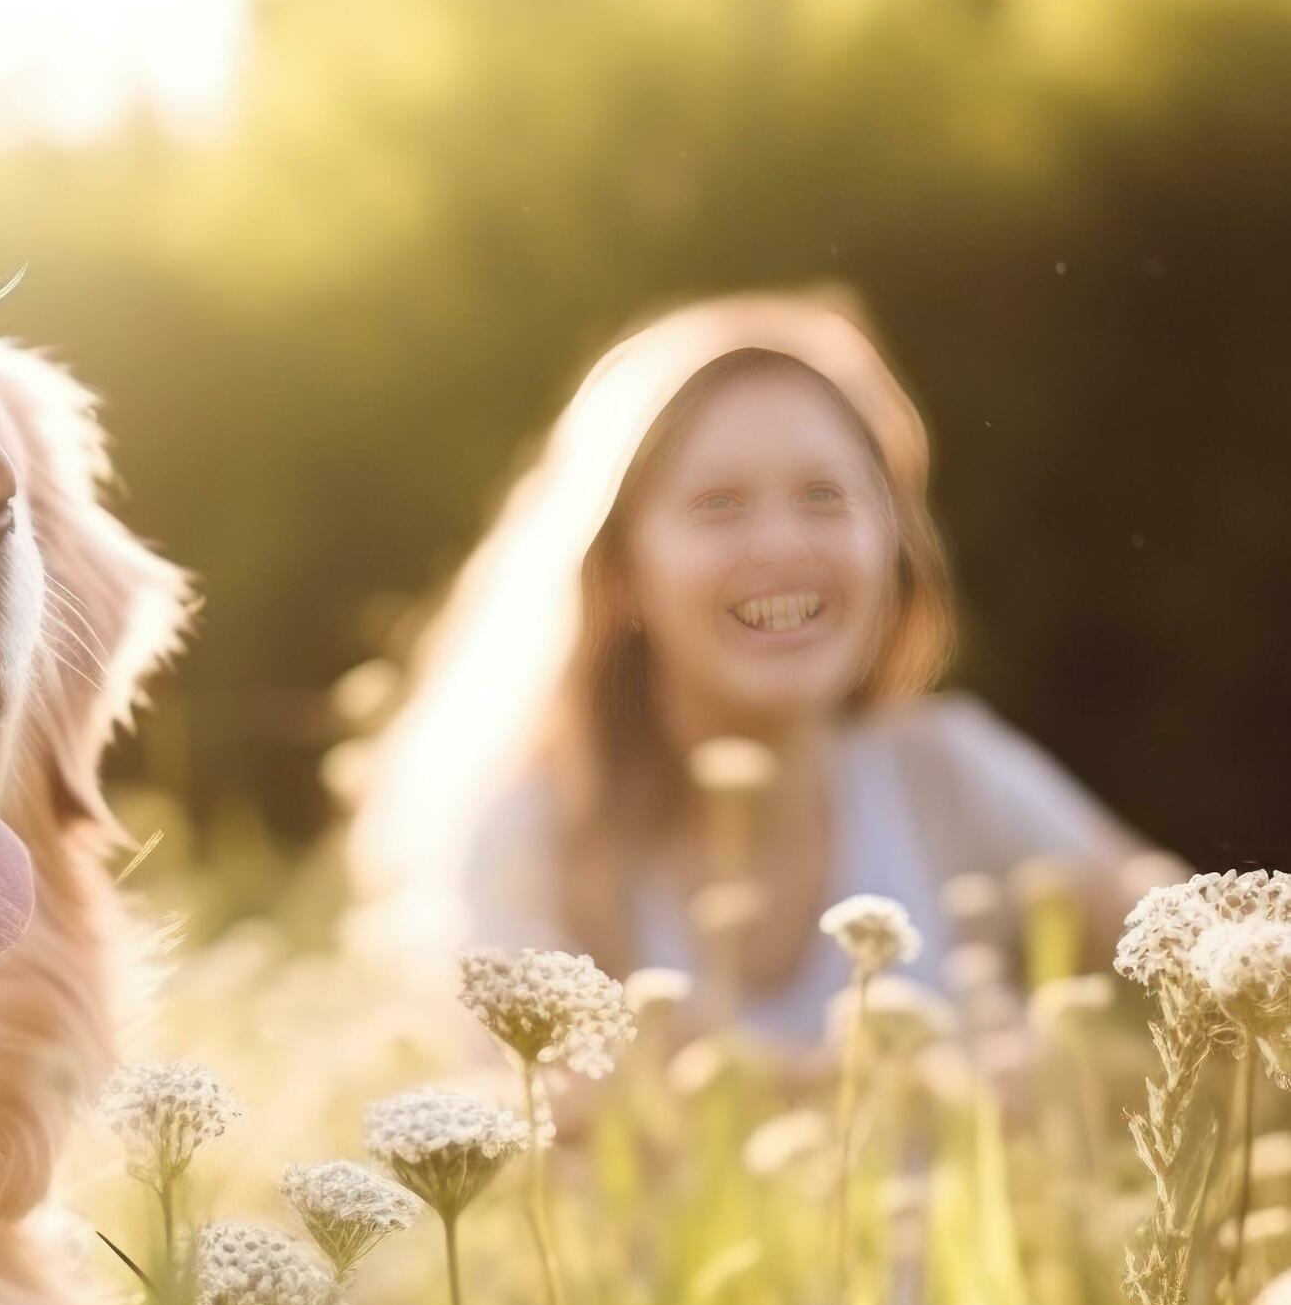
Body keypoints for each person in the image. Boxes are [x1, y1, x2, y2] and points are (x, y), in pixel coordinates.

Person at [348, 289, 1155, 1043]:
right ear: (623, 568)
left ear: (891, 541)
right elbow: (539, 1139)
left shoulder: (943, 770)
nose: (780, 547)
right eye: (719, 504)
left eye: (824, 495)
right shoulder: (525, 840)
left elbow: (1200, 959)